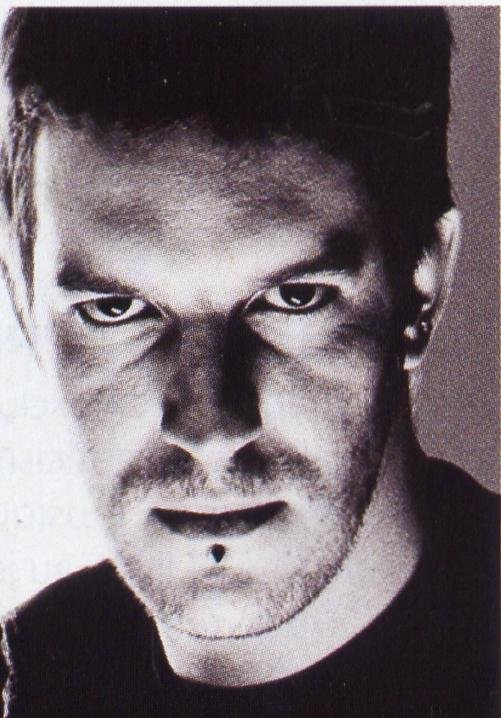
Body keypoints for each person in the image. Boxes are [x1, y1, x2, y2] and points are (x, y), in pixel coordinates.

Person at [0, 7, 498, 717]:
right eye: (114, 309)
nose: (209, 430)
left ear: (422, 287)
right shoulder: (26, 679)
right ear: (22, 305)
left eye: (294, 298)